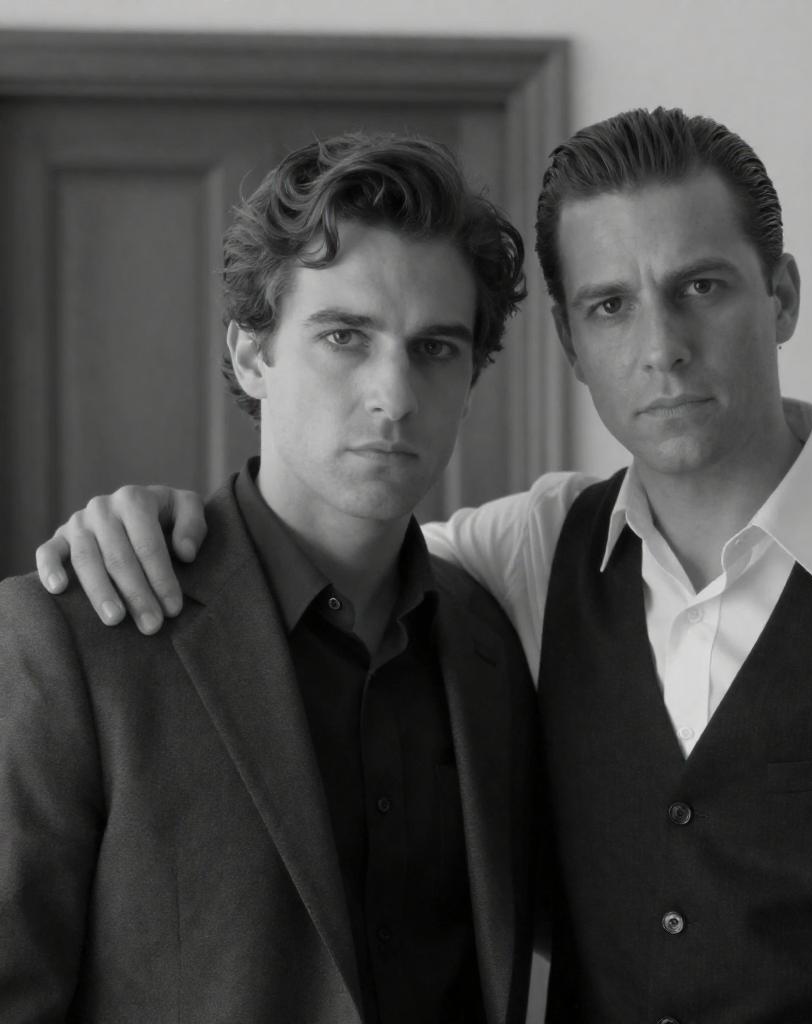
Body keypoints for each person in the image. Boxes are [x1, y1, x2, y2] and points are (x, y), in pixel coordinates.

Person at [33, 108, 812, 1022]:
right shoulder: (534, 554)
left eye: (701, 286)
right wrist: (148, 521)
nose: (662, 349)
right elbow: (315, 555)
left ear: (783, 296)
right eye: (609, 304)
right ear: (570, 340)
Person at [0, 132, 540, 1024]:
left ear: (472, 381)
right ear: (254, 356)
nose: (395, 395)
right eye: (344, 337)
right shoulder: (72, 637)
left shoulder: (493, 640)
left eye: (436, 348)